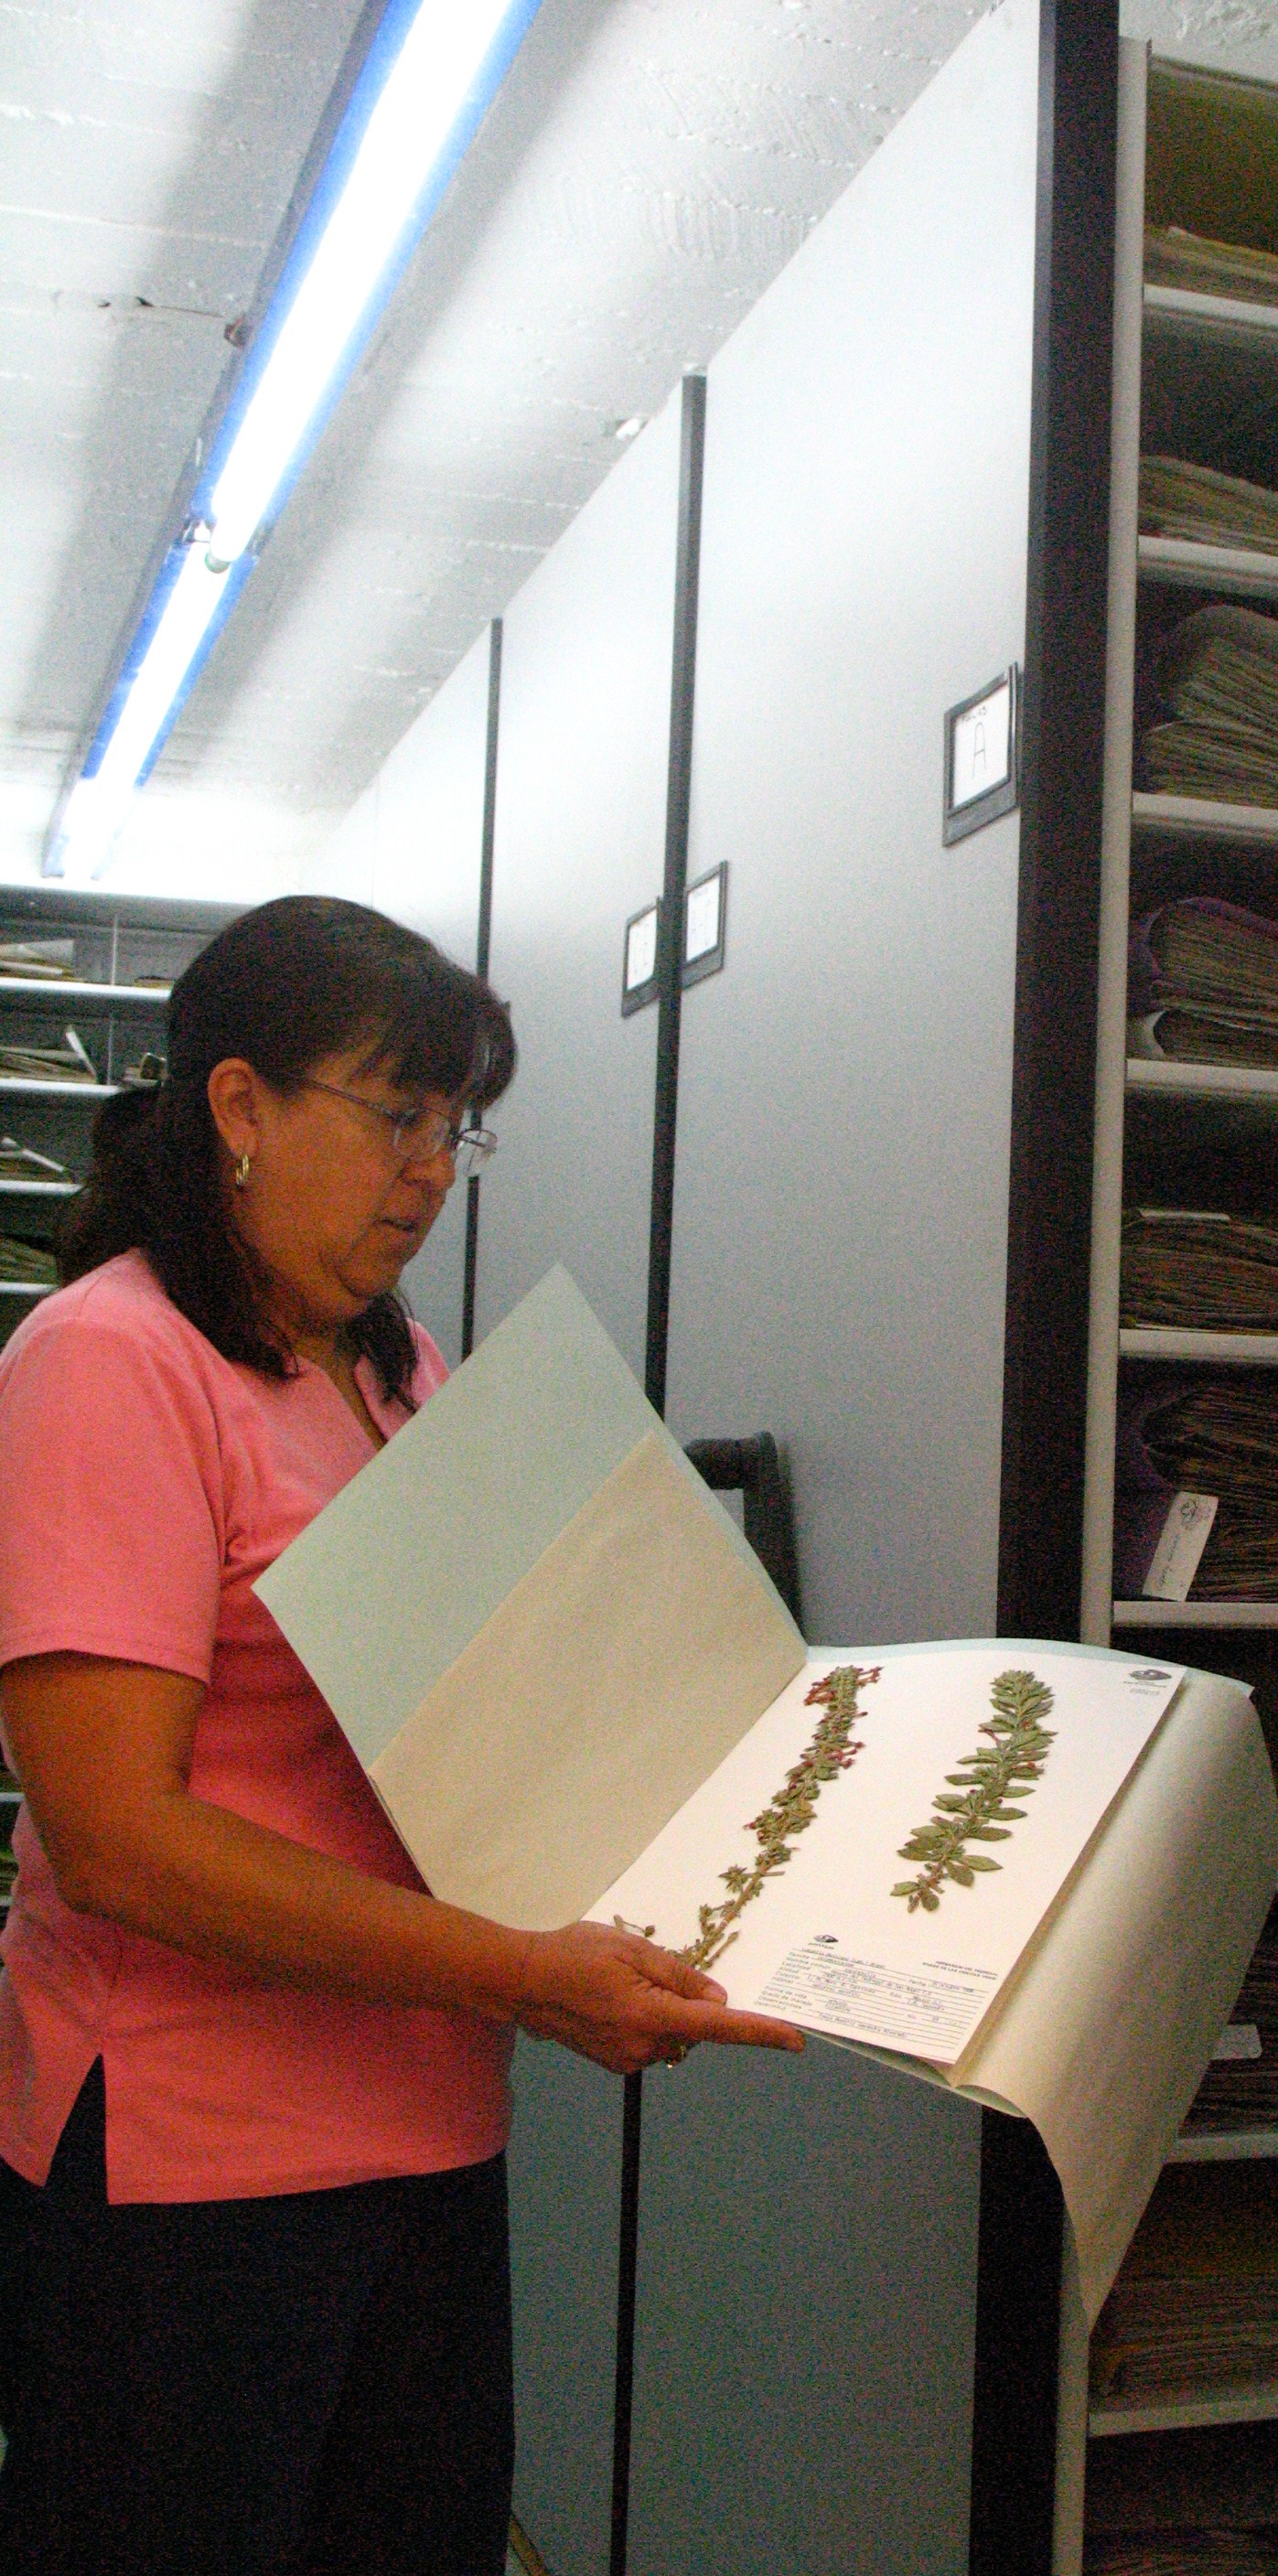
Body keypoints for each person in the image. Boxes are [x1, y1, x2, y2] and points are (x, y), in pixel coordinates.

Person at [0, 896, 802, 2576]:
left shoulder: (400, 1368)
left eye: (457, 1125)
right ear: (239, 1108)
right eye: (394, 1114)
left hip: (429, 2124)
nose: (433, 1169)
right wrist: (522, 1973)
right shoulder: (107, 1363)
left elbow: (491, 1715)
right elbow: (116, 1838)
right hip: (194, 2176)